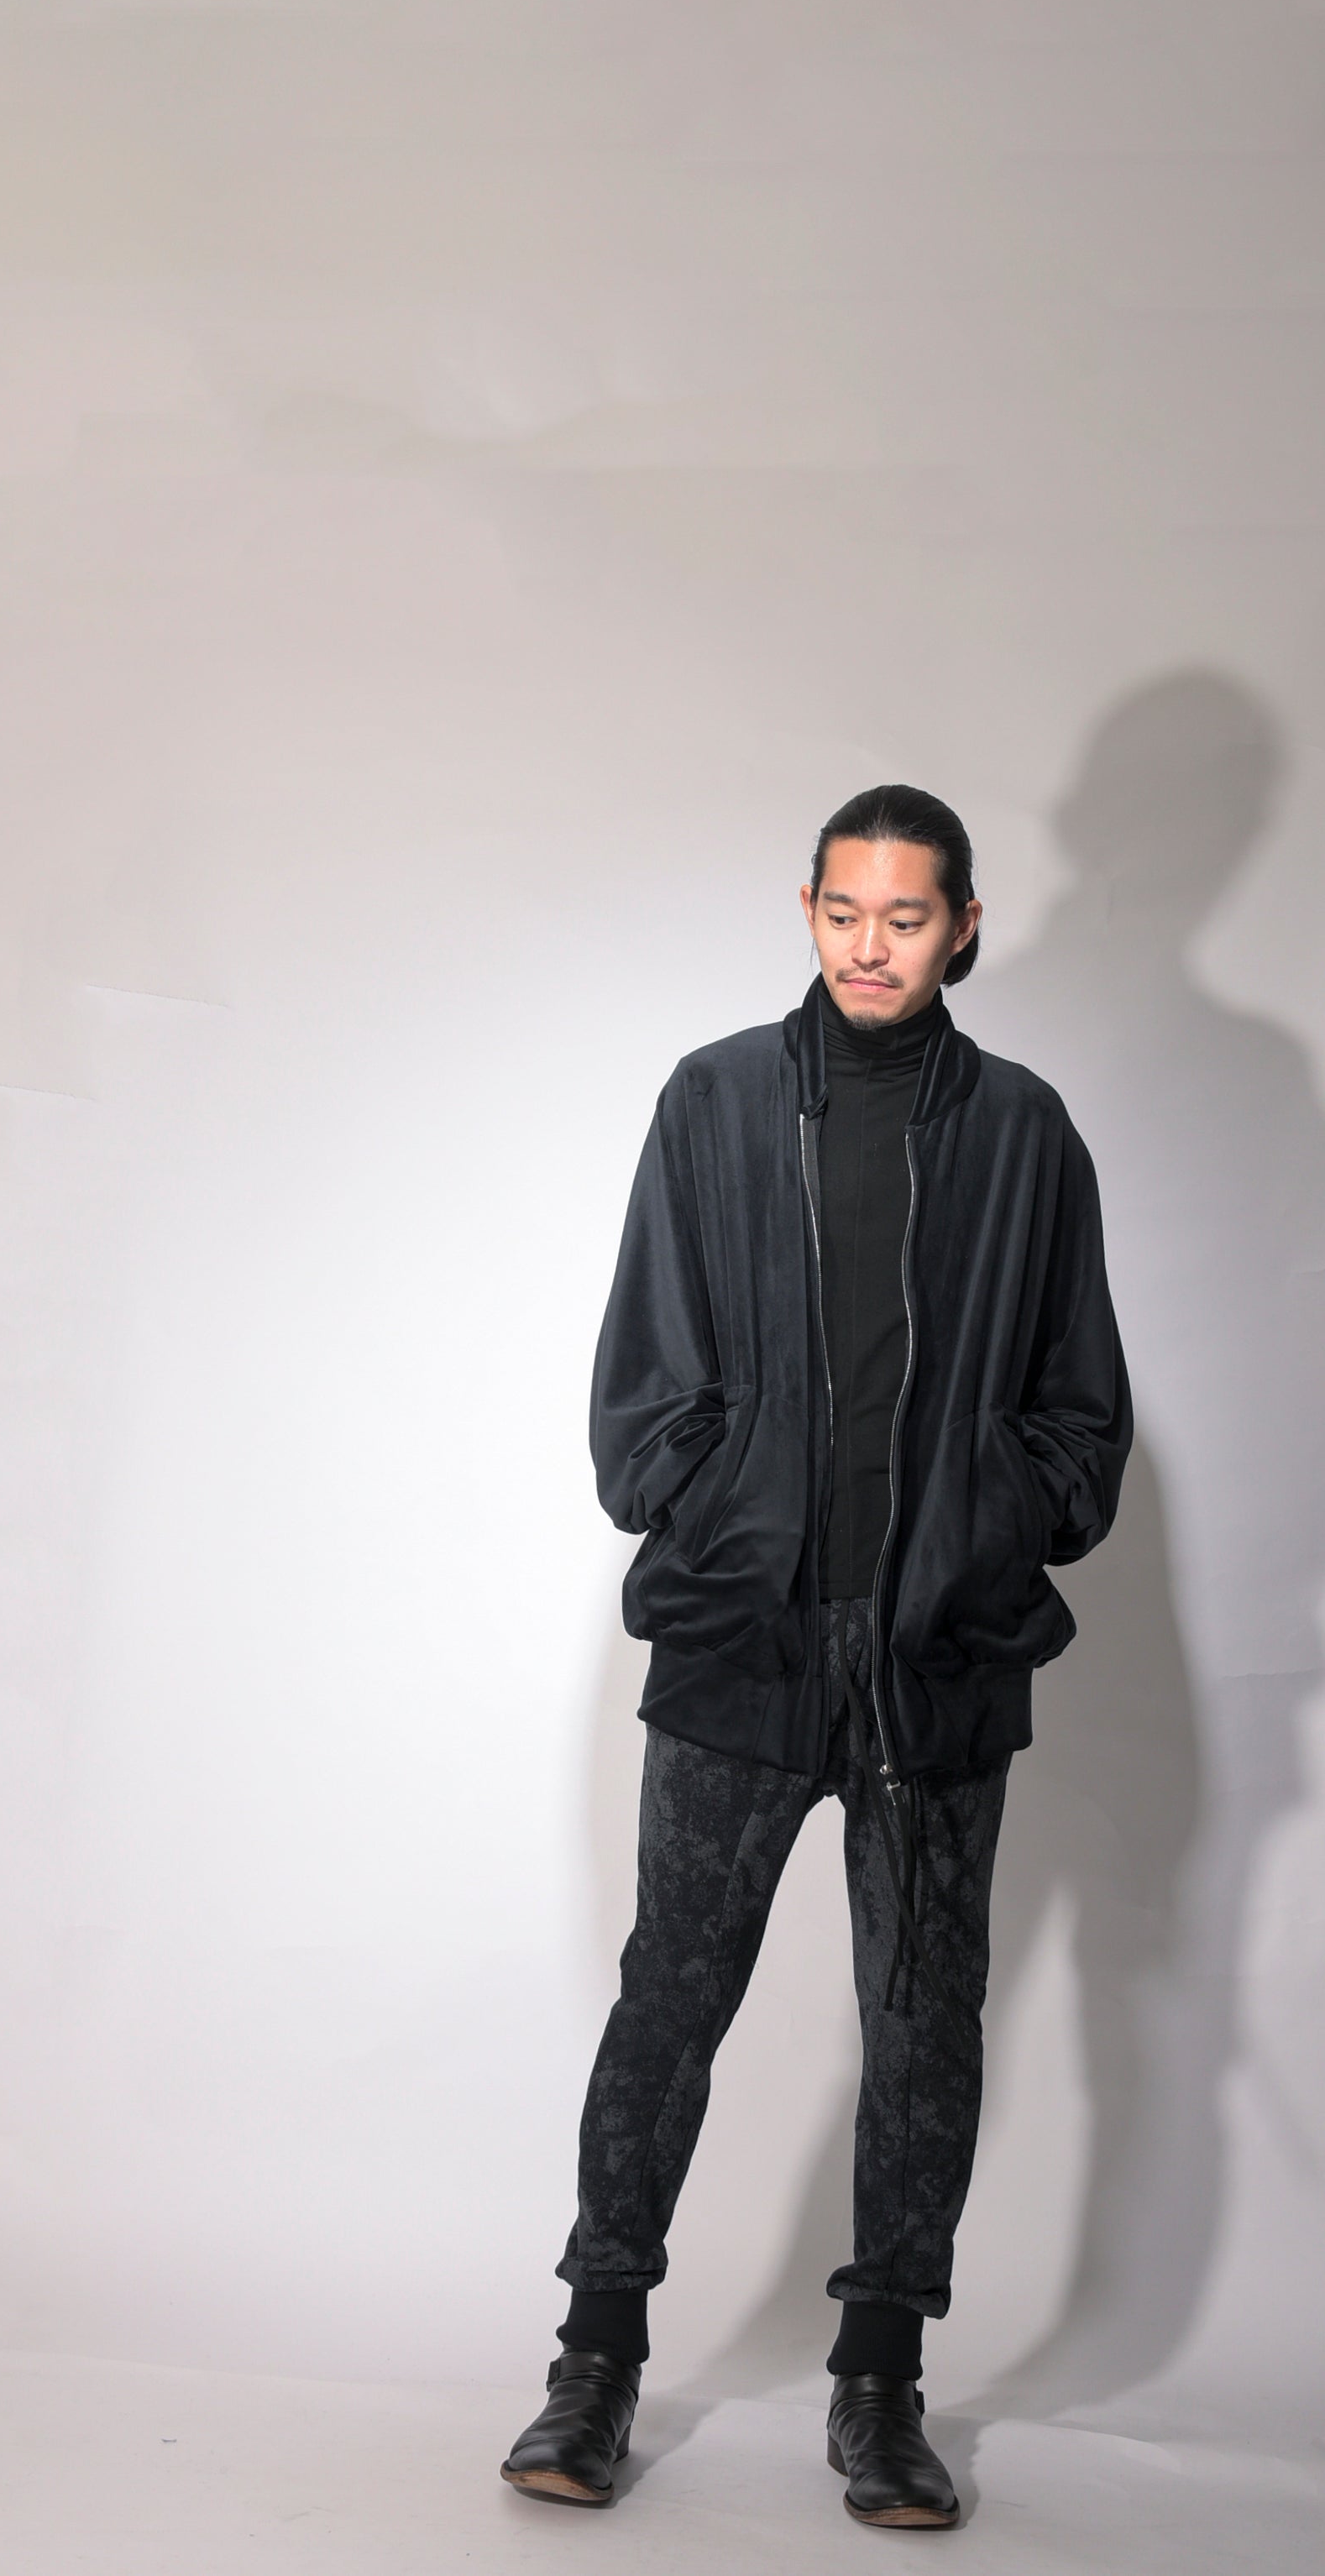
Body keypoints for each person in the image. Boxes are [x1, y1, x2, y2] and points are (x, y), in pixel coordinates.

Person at [500, 786, 1131, 2530]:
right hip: (743, 1639)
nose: (871, 946)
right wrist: (718, 1513)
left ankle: (882, 2386)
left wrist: (992, 1521)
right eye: (844, 913)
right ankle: (595, 2360)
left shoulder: (1025, 1134)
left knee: (924, 2024)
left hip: (939, 1650)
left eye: (905, 918)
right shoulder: (712, 1102)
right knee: (671, 1998)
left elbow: (1081, 1411)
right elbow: (643, 1389)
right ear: (806, 911)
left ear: (963, 928)